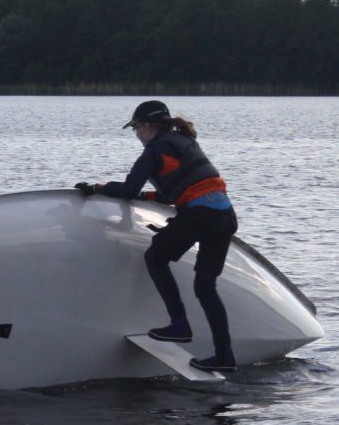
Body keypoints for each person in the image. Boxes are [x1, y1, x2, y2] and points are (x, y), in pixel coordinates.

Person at [75, 100, 238, 372]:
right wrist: (143, 196)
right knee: (205, 286)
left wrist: (96, 188)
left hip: (199, 216)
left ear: (148, 126)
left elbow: (127, 189)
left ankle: (179, 324)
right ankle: (225, 356)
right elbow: (170, 192)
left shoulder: (154, 150)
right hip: (224, 217)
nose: (136, 134)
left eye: (136, 128)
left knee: (155, 258)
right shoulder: (184, 142)